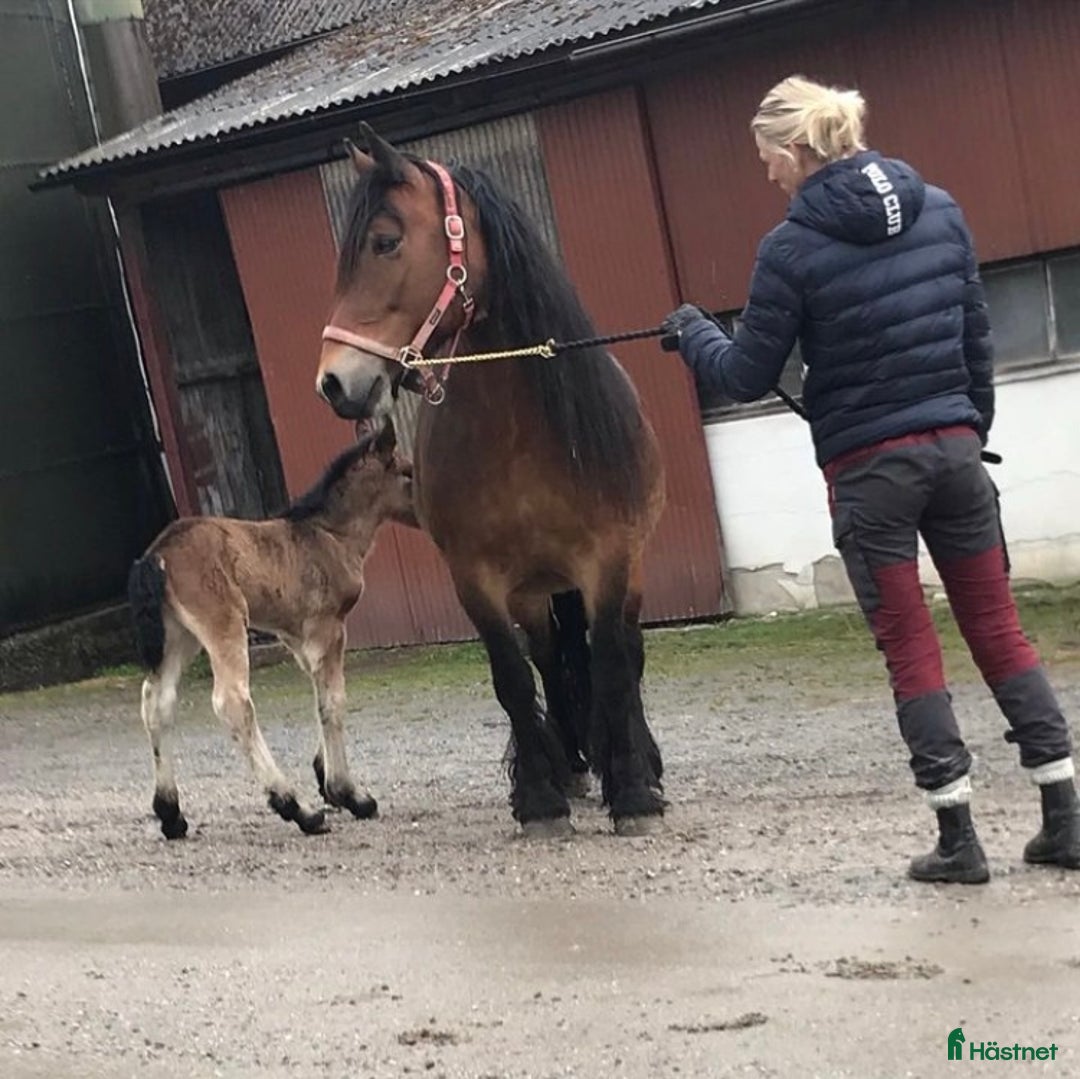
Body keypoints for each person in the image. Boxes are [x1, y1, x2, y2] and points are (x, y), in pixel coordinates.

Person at [661, 74, 1079, 883]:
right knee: (999, 627)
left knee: (910, 645)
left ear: (796, 148)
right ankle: (1064, 818)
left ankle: (958, 839)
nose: (766, 173)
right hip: (957, 454)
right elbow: (977, 341)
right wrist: (970, 432)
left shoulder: (789, 248)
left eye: (766, 157)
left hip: (869, 473)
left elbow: (746, 375)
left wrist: (695, 333)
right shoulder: (942, 209)